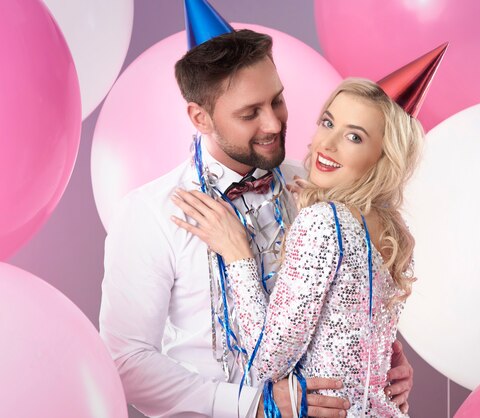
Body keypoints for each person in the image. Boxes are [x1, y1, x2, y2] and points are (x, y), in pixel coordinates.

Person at [99, 29, 413, 418]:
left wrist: (380, 365)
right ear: (200, 117)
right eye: (250, 114)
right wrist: (253, 406)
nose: (274, 124)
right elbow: (126, 361)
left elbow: (340, 313)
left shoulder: (317, 188)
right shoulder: (149, 212)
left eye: (277, 100)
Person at [171, 78, 423, 417]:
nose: (327, 144)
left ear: (383, 155)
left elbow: (266, 361)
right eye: (328, 122)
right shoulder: (394, 231)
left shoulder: (323, 222)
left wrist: (237, 254)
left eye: (354, 136)